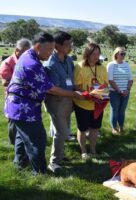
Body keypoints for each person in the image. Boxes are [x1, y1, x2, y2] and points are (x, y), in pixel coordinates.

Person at [4, 32, 82, 175]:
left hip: (20, 106)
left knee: (22, 137)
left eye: (52, 50)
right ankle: (40, 172)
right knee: (38, 140)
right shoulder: (32, 64)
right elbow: (51, 89)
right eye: (48, 50)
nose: (50, 53)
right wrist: (74, 94)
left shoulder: (29, 55)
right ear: (38, 46)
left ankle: (20, 166)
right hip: (24, 109)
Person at [43, 31, 75, 172]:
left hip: (68, 100)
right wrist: (74, 94)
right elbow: (53, 89)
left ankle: (60, 156)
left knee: (64, 131)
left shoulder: (68, 59)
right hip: (56, 102)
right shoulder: (51, 63)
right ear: (57, 46)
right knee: (61, 132)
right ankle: (54, 162)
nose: (70, 46)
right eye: (68, 44)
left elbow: (71, 77)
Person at [73, 42, 108, 160]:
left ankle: (93, 150)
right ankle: (83, 151)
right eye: (93, 53)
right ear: (87, 54)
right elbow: (77, 86)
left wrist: (100, 93)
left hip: (97, 105)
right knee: (82, 129)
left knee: (95, 128)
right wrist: (88, 95)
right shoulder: (80, 67)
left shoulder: (102, 67)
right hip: (83, 104)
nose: (96, 56)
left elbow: (105, 84)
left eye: (98, 53)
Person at [0, 38, 31, 145]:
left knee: (25, 122)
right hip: (13, 99)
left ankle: (22, 142)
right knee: (13, 122)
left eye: (28, 51)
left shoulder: (27, 61)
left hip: (27, 97)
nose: (26, 54)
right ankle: (13, 143)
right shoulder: (7, 63)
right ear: (17, 50)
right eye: (24, 51)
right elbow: (4, 82)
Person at [107, 47, 133, 135]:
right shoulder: (111, 65)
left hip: (125, 92)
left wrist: (127, 90)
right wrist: (118, 90)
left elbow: (130, 79)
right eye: (121, 54)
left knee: (122, 110)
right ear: (116, 54)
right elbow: (110, 80)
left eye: (124, 54)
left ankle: (121, 127)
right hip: (114, 92)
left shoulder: (127, 65)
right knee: (115, 110)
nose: (123, 55)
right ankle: (114, 127)